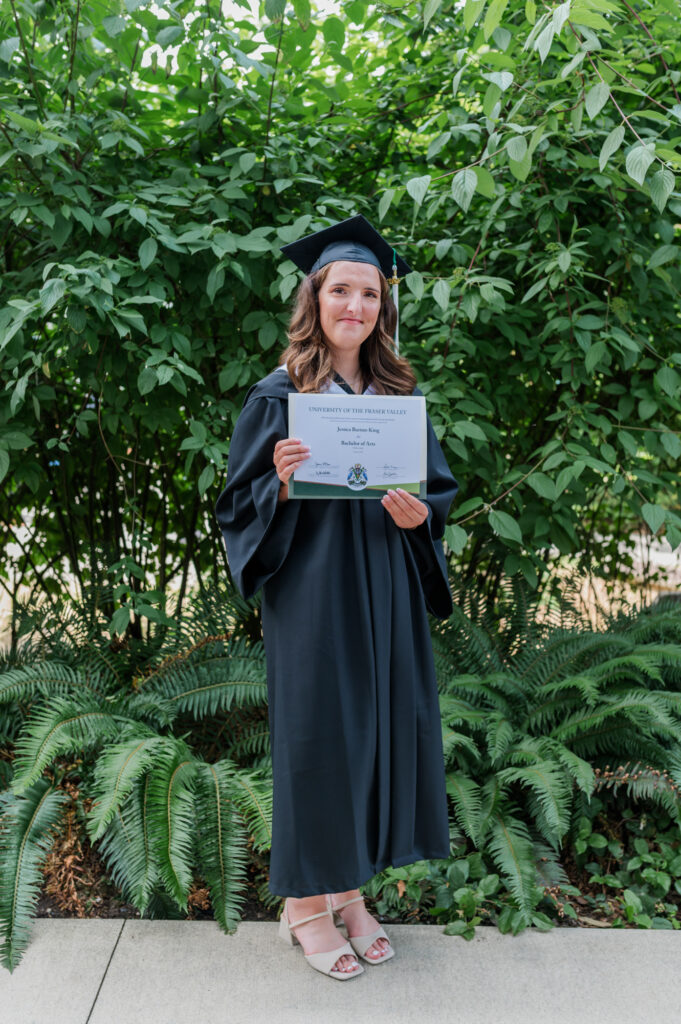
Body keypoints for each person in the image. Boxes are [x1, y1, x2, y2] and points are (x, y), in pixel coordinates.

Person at [214, 214, 459, 981]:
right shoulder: (278, 396)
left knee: (375, 733)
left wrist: (421, 516)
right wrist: (278, 483)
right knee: (321, 739)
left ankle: (349, 895)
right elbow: (235, 506)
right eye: (339, 290)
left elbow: (434, 491)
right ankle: (303, 909)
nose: (353, 305)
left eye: (368, 293)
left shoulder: (394, 394)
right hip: (314, 591)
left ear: (382, 308)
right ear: (314, 298)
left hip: (383, 583)